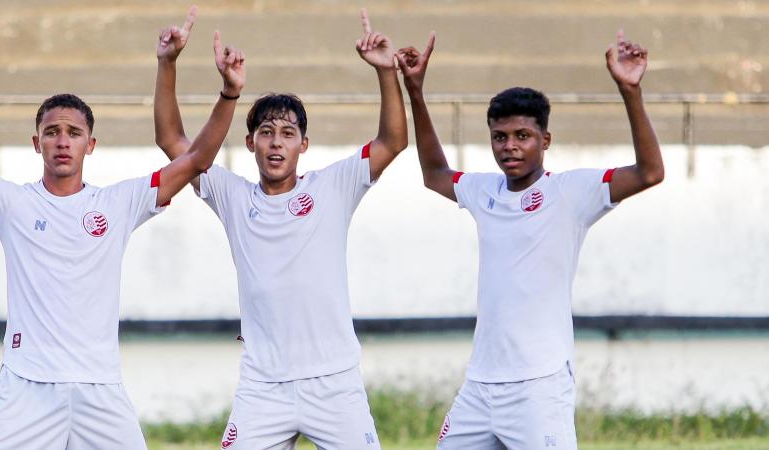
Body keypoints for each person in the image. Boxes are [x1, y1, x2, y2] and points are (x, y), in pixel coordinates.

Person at [0, 14, 244, 450]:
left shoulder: (118, 203)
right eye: (52, 133)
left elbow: (196, 159)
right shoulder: (9, 201)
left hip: (99, 389)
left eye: (73, 133)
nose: (62, 141)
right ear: (36, 143)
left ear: (91, 144)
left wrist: (213, 85)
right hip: (25, 389)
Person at [396, 30, 664, 449]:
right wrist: (415, 89)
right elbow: (434, 174)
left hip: (538, 387)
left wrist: (630, 91)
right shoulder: (484, 191)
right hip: (481, 386)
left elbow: (650, 173)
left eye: (522, 136)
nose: (510, 147)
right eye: (500, 137)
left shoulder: (572, 193)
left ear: (545, 141)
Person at [154, 7, 407, 449]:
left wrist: (387, 72)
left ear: (303, 145)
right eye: (266, 132)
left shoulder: (333, 187)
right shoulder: (233, 195)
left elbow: (392, 142)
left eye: (287, 133)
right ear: (250, 142)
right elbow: (171, 140)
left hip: (334, 383)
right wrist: (168, 63)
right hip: (262, 387)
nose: (276, 142)